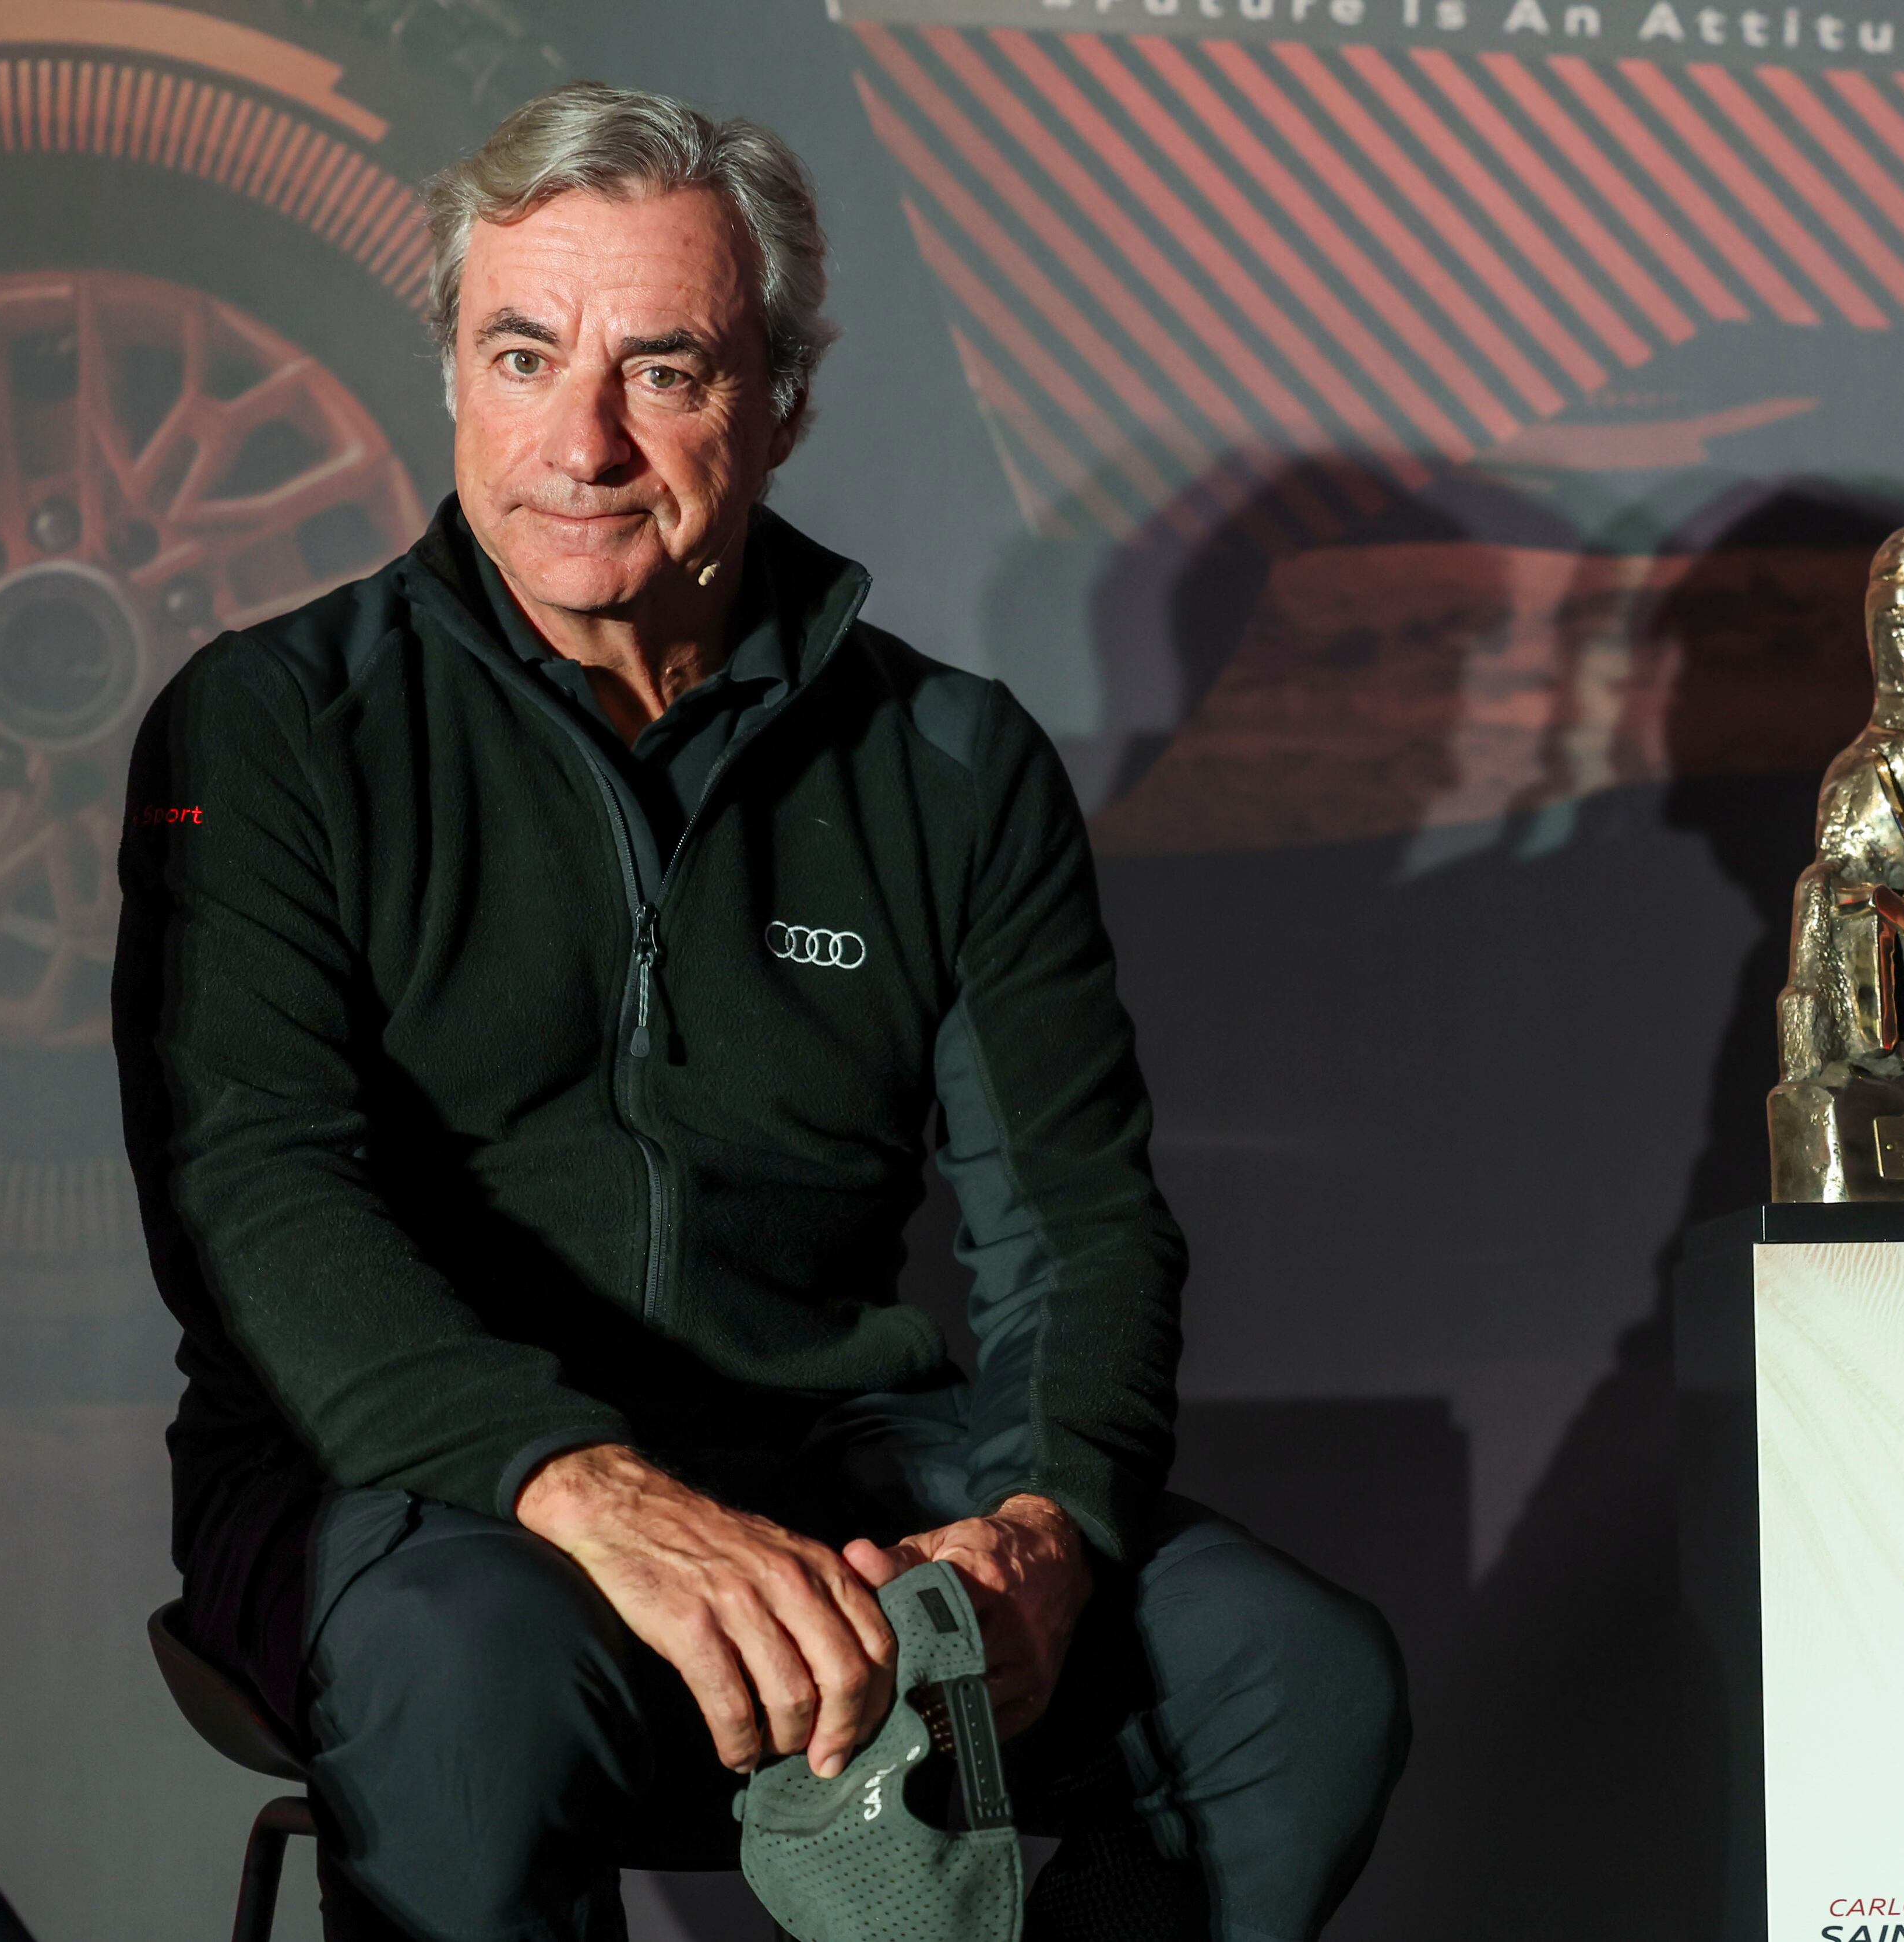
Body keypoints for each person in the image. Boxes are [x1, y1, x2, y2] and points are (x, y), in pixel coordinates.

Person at [114, 81, 1405, 1941]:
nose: (582, 440)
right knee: (471, 1681)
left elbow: (1075, 1219)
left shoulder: (951, 761)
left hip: (840, 1476)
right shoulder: (272, 725)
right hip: (403, 1483)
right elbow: (255, 1196)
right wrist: (587, 1491)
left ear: (781, 401)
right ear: (451, 374)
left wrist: (1047, 1524)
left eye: (666, 369)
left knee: (1297, 1682)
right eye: (523, 352)